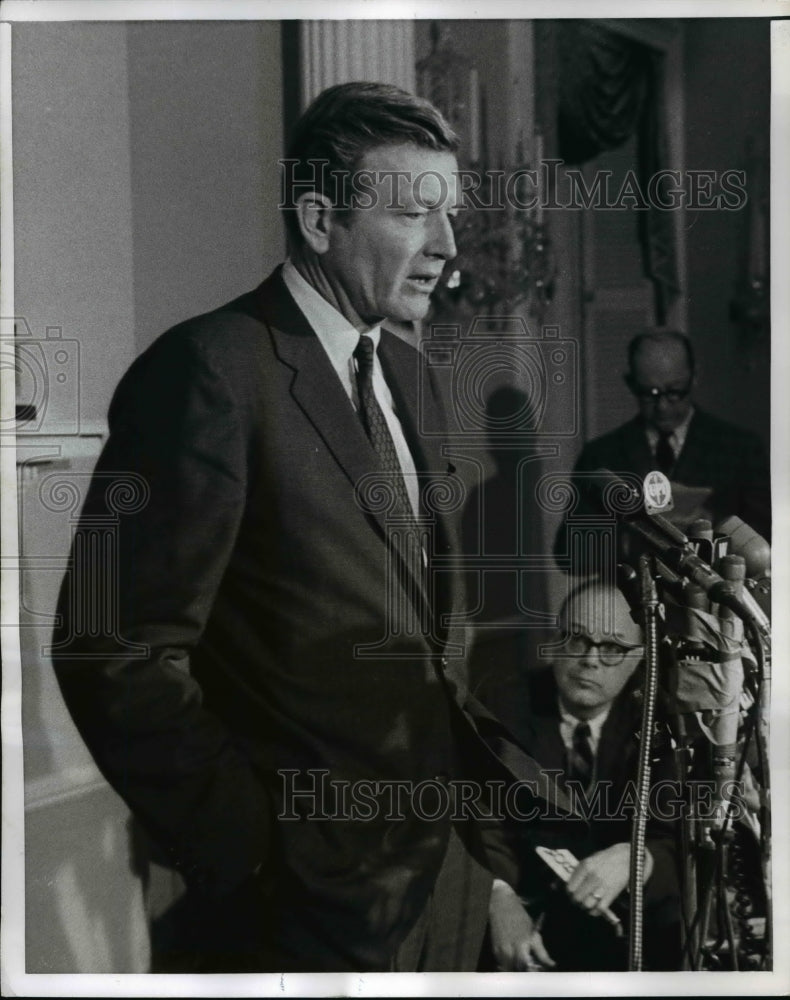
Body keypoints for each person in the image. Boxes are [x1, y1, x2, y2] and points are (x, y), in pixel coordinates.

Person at [51, 82, 572, 973]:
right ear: (321, 217)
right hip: (296, 904)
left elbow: (439, 648)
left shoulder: (414, 375)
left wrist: (479, 864)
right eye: (416, 216)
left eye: (451, 218)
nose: (448, 249)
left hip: (438, 881)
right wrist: (250, 852)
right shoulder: (208, 371)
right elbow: (113, 645)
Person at [482, 581, 681, 971]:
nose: (590, 659)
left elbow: (682, 844)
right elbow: (477, 824)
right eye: (577, 639)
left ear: (640, 658)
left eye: (612, 648)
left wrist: (636, 859)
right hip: (528, 925)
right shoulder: (501, 709)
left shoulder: (663, 724)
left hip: (626, 934)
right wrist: (497, 896)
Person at [555, 329, 771, 572]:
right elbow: (568, 555)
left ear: (694, 376)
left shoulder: (740, 448)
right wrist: (631, 540)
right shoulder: (601, 455)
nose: (663, 406)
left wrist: (711, 528)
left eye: (674, 392)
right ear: (631, 383)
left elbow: (769, 539)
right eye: (649, 394)